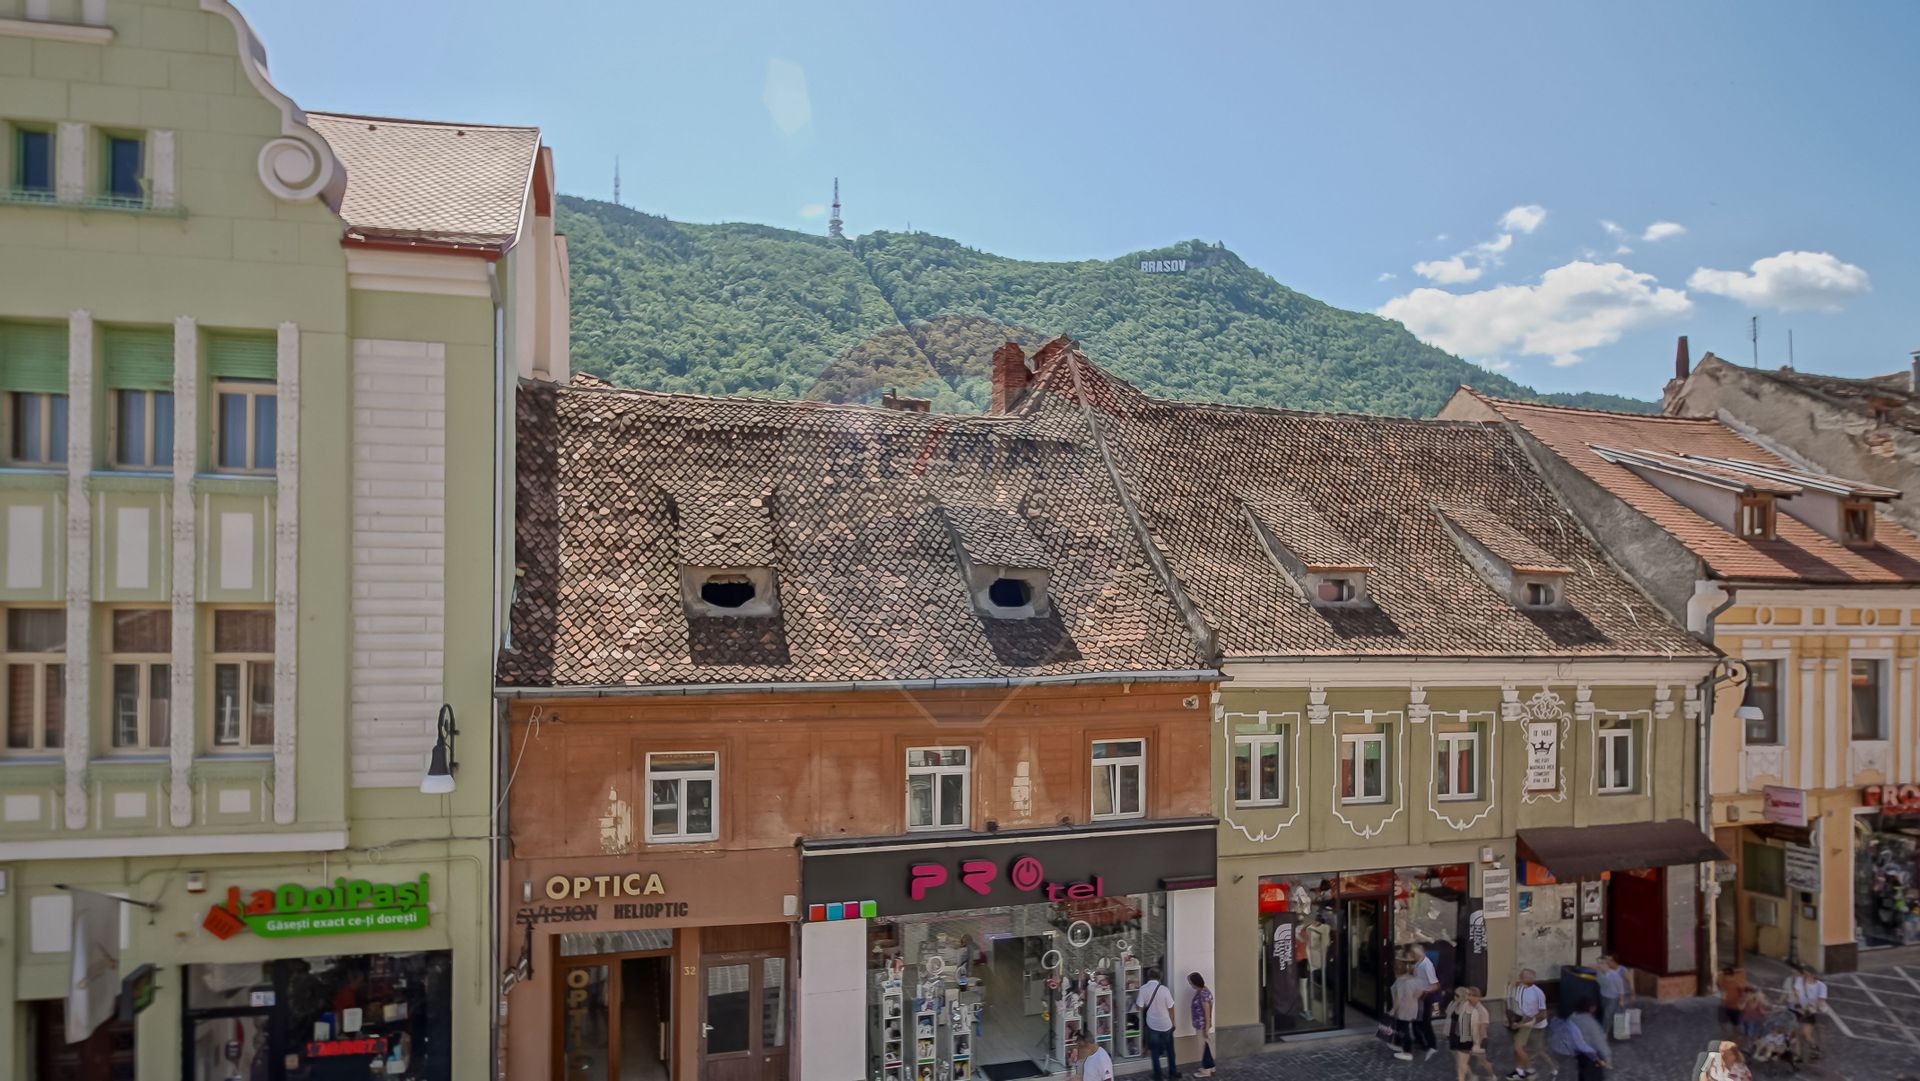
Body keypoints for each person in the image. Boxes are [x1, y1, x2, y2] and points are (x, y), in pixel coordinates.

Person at [1135, 965, 1180, 1081]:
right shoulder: (1165, 990)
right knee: (1170, 1050)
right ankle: (1172, 1072)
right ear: (1160, 977)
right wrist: (1173, 1022)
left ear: (1148, 976)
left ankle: (1157, 1075)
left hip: (1152, 1025)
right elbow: (1171, 1008)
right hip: (1166, 1024)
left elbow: (1139, 1007)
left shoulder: (1143, 989)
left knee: (1154, 1051)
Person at [1445, 986, 1496, 1081]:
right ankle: (1469, 1076)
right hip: (1465, 1038)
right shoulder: (1464, 1006)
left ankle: (1492, 1075)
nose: (1470, 997)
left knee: (1482, 1062)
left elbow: (1482, 1029)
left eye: (1472, 995)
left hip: (1479, 1039)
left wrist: (1477, 1043)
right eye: (1469, 994)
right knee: (1461, 1062)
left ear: (1477, 997)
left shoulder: (1482, 1011)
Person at [1505, 968, 1548, 1079]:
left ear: (1531, 978)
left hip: (1528, 1022)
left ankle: (1530, 1070)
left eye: (1523, 976)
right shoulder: (1519, 988)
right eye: (1521, 976)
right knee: (1518, 1049)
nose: (1520, 978)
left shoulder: (1537, 993)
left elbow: (1543, 1013)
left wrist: (1529, 1023)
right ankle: (1519, 1071)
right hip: (1519, 1020)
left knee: (1519, 1048)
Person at [1782, 963, 1827, 1059]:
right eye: (1804, 974)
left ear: (1813, 975)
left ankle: (1814, 1047)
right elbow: (1795, 994)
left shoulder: (1821, 986)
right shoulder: (1799, 981)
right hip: (1798, 1010)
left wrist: (1811, 1008)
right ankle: (1798, 1055)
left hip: (1810, 1012)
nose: (1804, 976)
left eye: (1807, 974)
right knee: (1795, 1033)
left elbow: (1820, 1001)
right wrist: (1797, 1006)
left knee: (1805, 1034)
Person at [1409, 944, 1441, 1059]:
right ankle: (1419, 1041)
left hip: (1425, 997)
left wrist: (1424, 992)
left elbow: (1435, 985)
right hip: (1418, 996)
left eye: (1413, 954)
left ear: (1418, 954)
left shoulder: (1427, 966)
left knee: (1425, 1022)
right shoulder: (1418, 963)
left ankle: (1432, 1044)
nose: (1412, 956)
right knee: (1415, 1020)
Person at [1389, 961, 1425, 1061]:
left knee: (1404, 1029)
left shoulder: (1401, 981)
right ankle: (1399, 1044)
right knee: (1402, 1027)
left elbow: (1398, 998)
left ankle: (1407, 1052)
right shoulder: (1413, 979)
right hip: (1413, 1006)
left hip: (1403, 1008)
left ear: (1396, 971)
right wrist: (1413, 998)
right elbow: (1420, 991)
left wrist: (1393, 1009)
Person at [1570, 1001, 1612, 1081]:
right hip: (1592, 1057)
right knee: (1594, 1076)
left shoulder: (1572, 1019)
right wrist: (1607, 1057)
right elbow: (1599, 1042)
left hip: (1580, 1054)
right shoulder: (1591, 1023)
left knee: (1583, 1074)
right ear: (1590, 1009)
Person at [1187, 972, 1216, 1077]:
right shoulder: (1203, 990)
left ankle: (1206, 1070)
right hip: (1202, 1024)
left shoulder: (1203, 994)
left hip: (1202, 1025)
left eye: (1191, 982)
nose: (1190, 985)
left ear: (1195, 982)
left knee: (1203, 1048)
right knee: (1206, 1046)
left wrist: (1206, 1028)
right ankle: (1211, 1067)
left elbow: (1207, 1011)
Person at [1596, 956, 1632, 1034]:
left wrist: (1621, 1000)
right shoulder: (1598, 973)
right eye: (1600, 964)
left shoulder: (1614, 974)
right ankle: (1609, 1029)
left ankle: (1604, 1032)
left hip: (1613, 997)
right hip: (1603, 995)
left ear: (1607, 965)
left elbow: (1621, 988)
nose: (1601, 965)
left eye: (1603, 963)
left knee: (1607, 1014)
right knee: (1606, 1013)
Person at [1714, 965, 1747, 1042]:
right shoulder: (1722, 982)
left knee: (1735, 1025)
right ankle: (1726, 1035)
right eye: (1725, 976)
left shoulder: (1737, 984)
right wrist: (1727, 971)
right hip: (1724, 1006)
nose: (1725, 978)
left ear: (1731, 976)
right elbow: (1719, 975)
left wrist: (1742, 1005)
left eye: (1727, 976)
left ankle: (1735, 1038)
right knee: (1722, 1022)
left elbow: (1744, 995)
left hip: (1734, 1007)